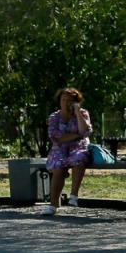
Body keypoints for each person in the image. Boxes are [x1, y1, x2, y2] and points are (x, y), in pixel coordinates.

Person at [41, 87, 93, 216]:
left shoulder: (83, 113)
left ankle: (73, 196)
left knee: (79, 158)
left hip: (78, 146)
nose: (65, 102)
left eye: (69, 100)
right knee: (58, 168)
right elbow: (56, 137)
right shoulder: (54, 117)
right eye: (63, 99)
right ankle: (53, 205)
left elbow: (85, 132)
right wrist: (76, 135)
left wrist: (77, 111)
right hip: (60, 148)